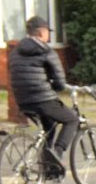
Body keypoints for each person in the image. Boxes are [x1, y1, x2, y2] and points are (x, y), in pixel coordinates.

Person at [8, 15, 76, 173]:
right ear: (42, 32)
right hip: (43, 99)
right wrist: (56, 86)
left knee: (49, 126)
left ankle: (48, 167)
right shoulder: (46, 51)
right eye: (48, 32)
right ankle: (57, 155)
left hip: (23, 100)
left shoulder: (16, 52)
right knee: (71, 119)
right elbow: (59, 82)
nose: (49, 35)